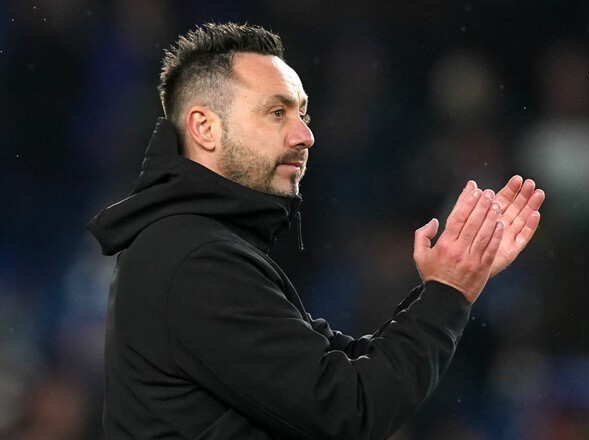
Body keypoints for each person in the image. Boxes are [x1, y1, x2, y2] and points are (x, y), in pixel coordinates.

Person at [88, 22, 545, 440]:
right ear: (205, 127)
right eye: (277, 112)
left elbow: (350, 369)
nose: (304, 136)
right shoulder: (194, 259)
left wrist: (449, 284)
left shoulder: (198, 244)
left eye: (302, 115)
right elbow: (351, 409)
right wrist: (448, 292)